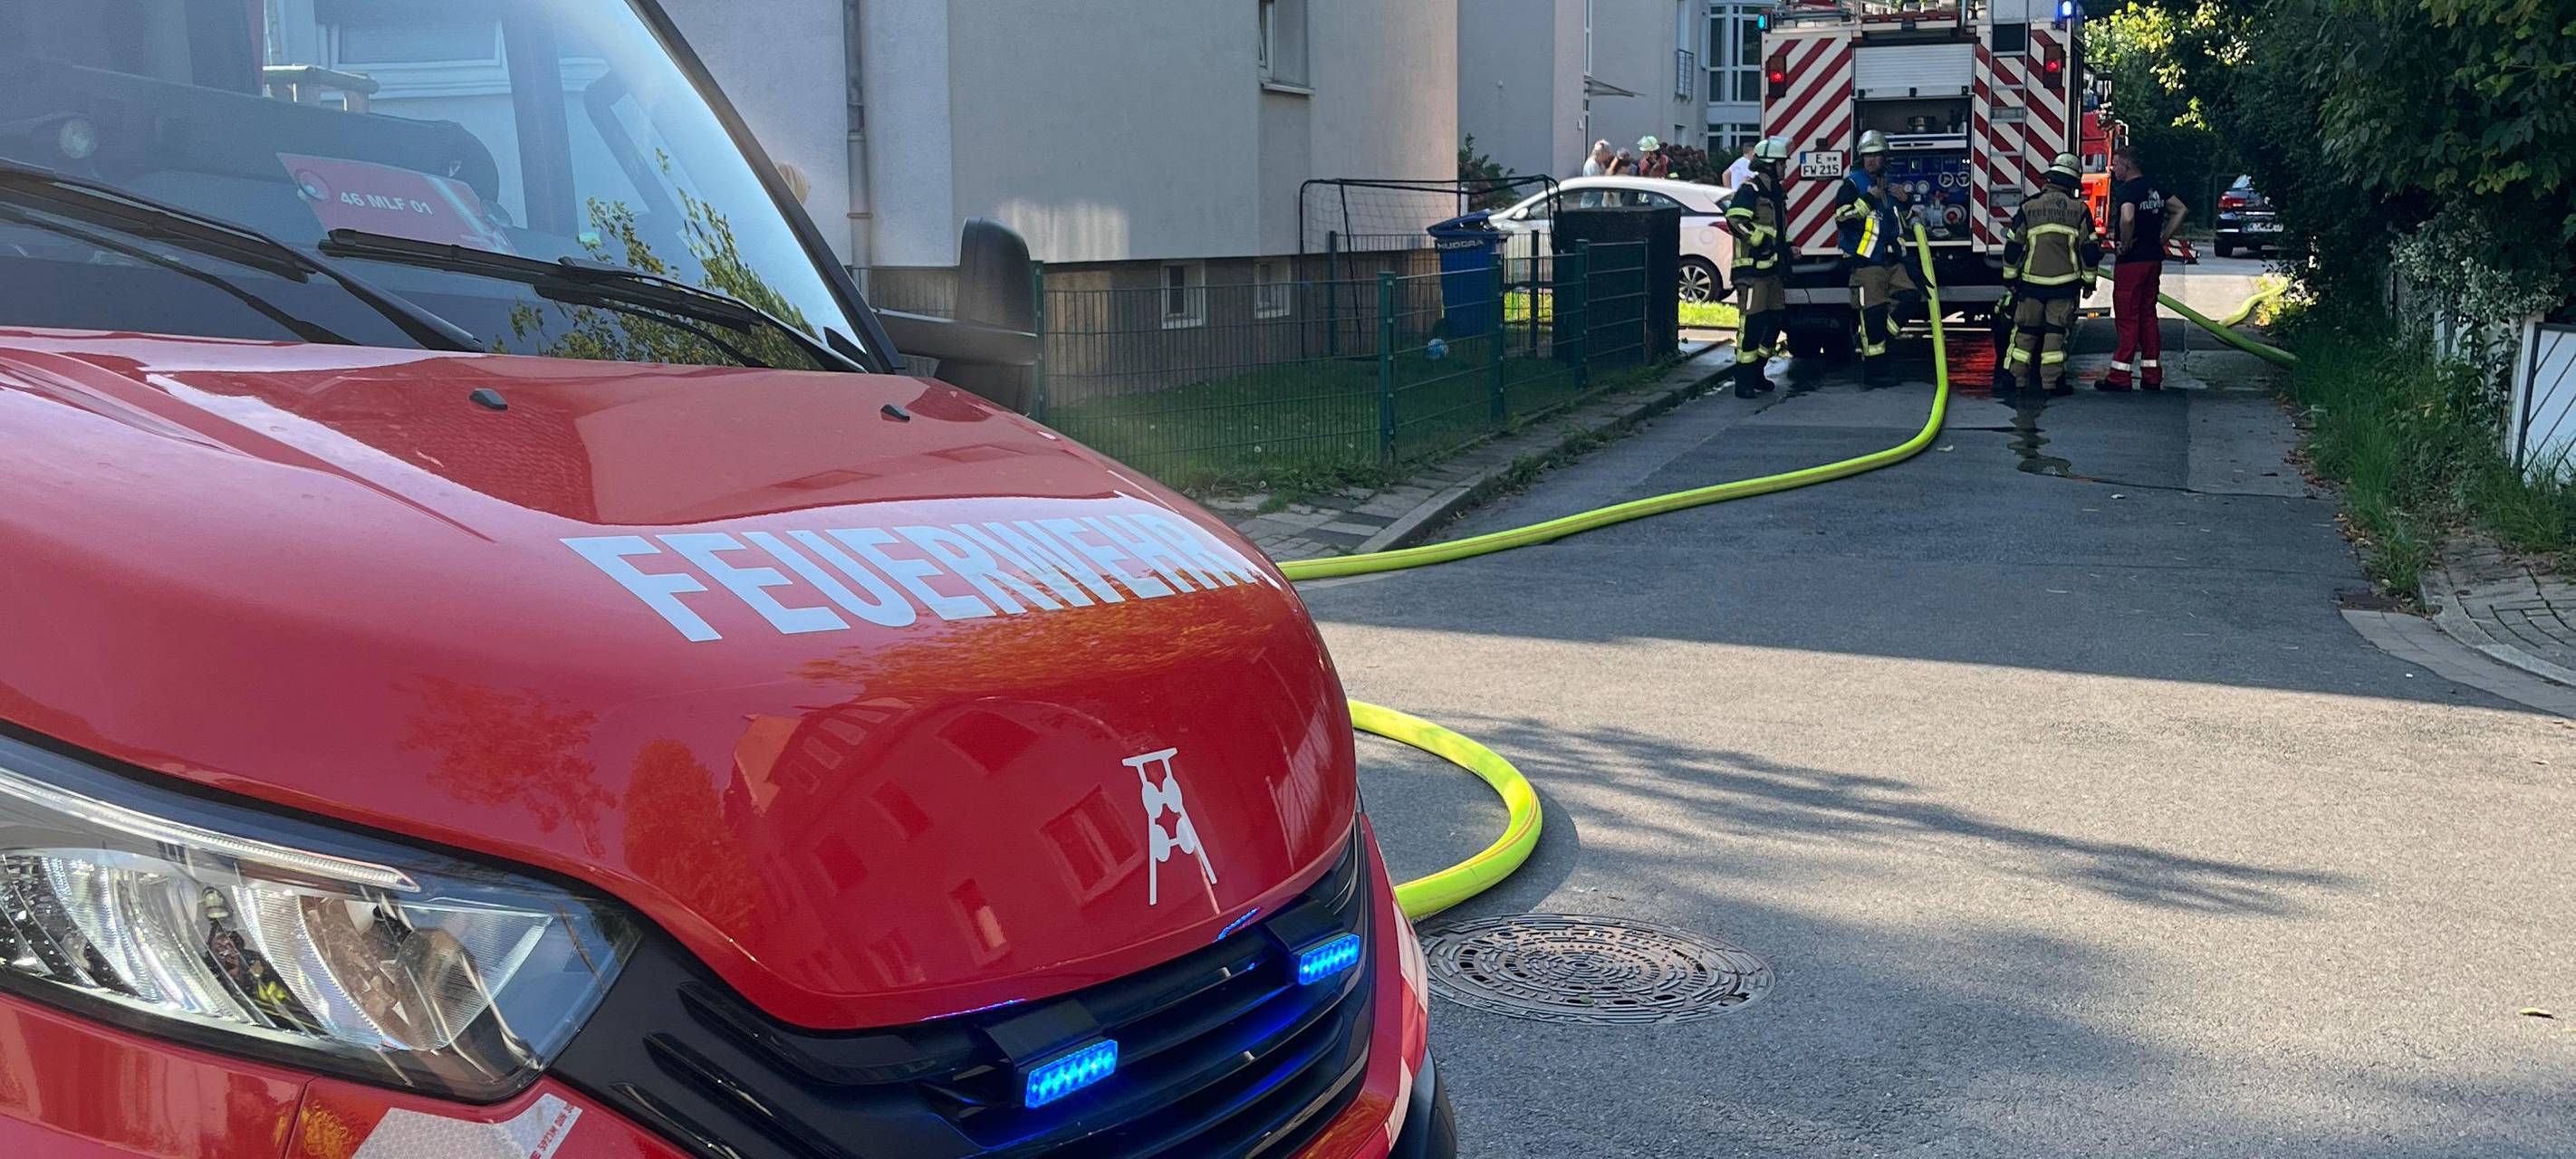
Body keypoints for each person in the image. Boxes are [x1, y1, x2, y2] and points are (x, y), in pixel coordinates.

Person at [2000, 154, 2101, 398]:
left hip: (2030, 284)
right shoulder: (2079, 210)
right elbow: (2089, 251)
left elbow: (2013, 247)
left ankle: (2017, 381)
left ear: (2049, 180)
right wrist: (2088, 283)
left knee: (2025, 333)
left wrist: (2011, 280)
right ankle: (2051, 384)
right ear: (2071, 184)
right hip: (2064, 285)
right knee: (2055, 335)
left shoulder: (2028, 207)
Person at [1833, 129, 1922, 388]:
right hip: (1865, 264)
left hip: (1891, 262)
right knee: (1872, 317)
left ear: (1885, 158)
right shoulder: (1852, 184)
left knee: (1910, 297)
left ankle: (1885, 338)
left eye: (1876, 156)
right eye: (1867, 156)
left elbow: (1898, 219)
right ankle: (1875, 373)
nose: (1872, 161)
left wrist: (1907, 201)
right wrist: (1867, 199)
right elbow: (1842, 218)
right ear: (1862, 158)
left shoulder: (1890, 184)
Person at [2099, 146, 2189, 390]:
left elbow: (2127, 217)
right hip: (2153, 259)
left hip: (2132, 263)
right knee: (2148, 316)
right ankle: (2152, 375)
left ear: (2127, 165)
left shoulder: (2128, 190)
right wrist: (2162, 238)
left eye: (2116, 164)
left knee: (2127, 318)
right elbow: (2181, 209)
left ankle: (2119, 376)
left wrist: (2125, 244)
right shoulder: (2154, 188)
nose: (2113, 169)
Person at [1724, 137, 1794, 398]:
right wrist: (1759, 240)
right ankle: (1743, 380)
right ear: (1769, 166)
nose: (1785, 168)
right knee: (1751, 326)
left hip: (1773, 271)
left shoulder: (1776, 194)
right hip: (1752, 272)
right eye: (1781, 164)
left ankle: (1758, 372)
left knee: (1774, 320)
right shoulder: (1750, 191)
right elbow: (1735, 220)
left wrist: (1789, 246)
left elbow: (1779, 230)